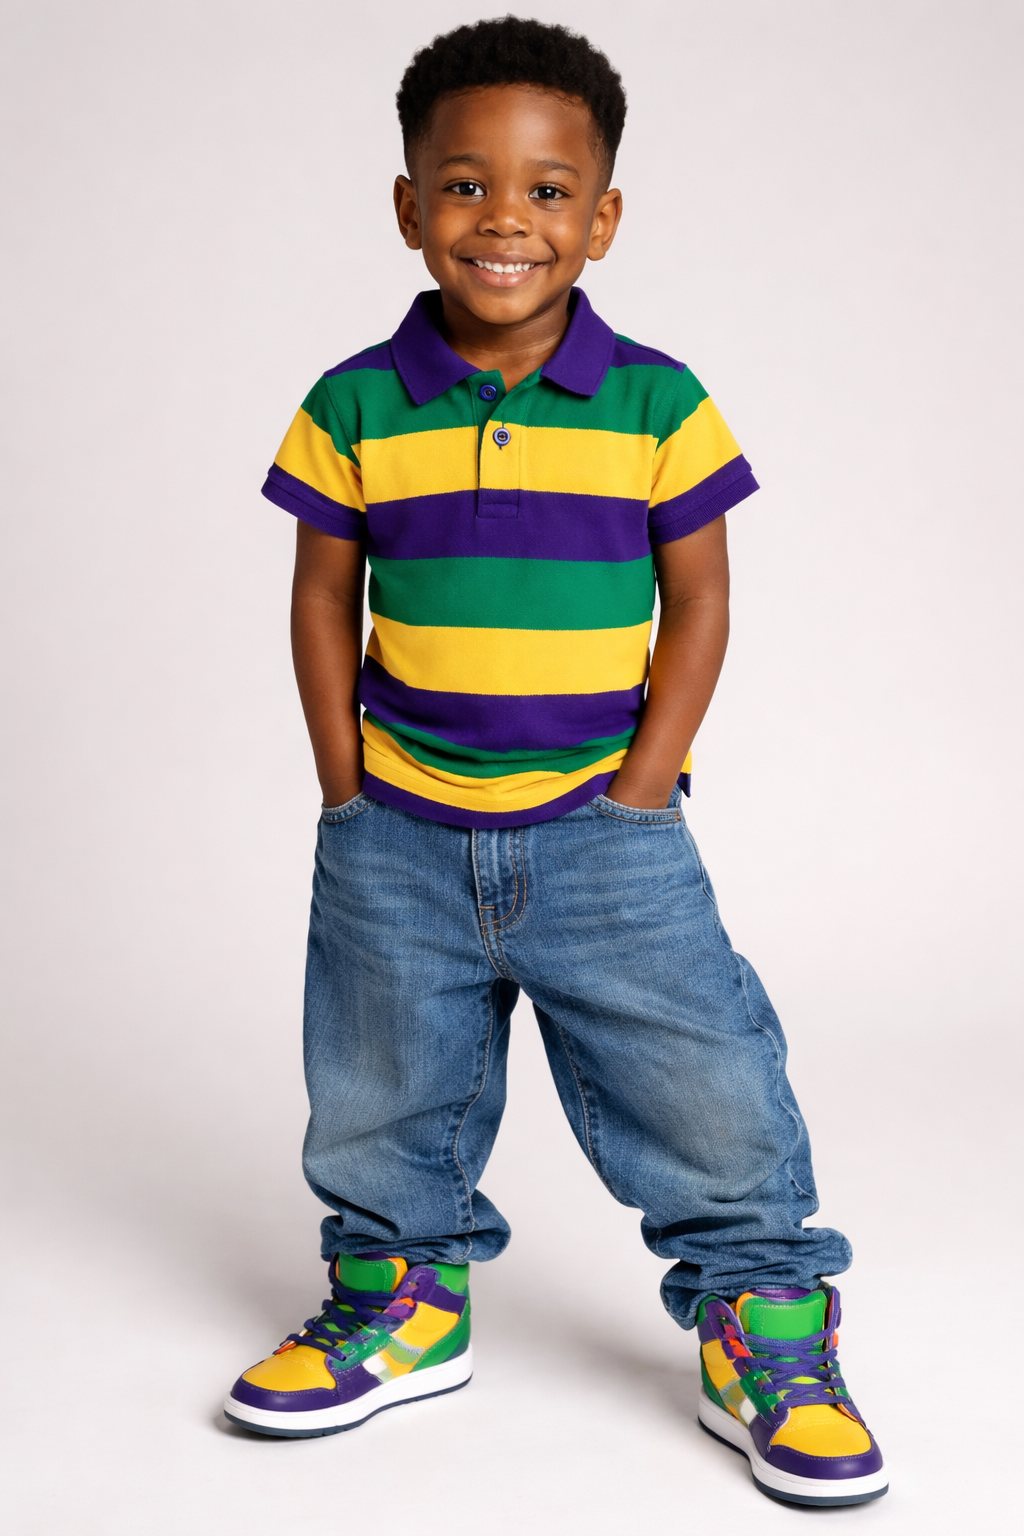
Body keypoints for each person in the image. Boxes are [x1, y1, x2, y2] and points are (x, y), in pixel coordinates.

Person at [223, 16, 886, 1508]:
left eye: (546, 190)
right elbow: (324, 593)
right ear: (409, 208)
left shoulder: (659, 402)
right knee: (381, 1082)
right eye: (464, 187)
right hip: (397, 826)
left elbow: (701, 598)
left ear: (604, 216)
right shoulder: (353, 402)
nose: (503, 220)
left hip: (605, 828)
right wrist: (343, 782)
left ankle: (766, 1319)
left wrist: (645, 784)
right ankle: (402, 1298)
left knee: (701, 1077)